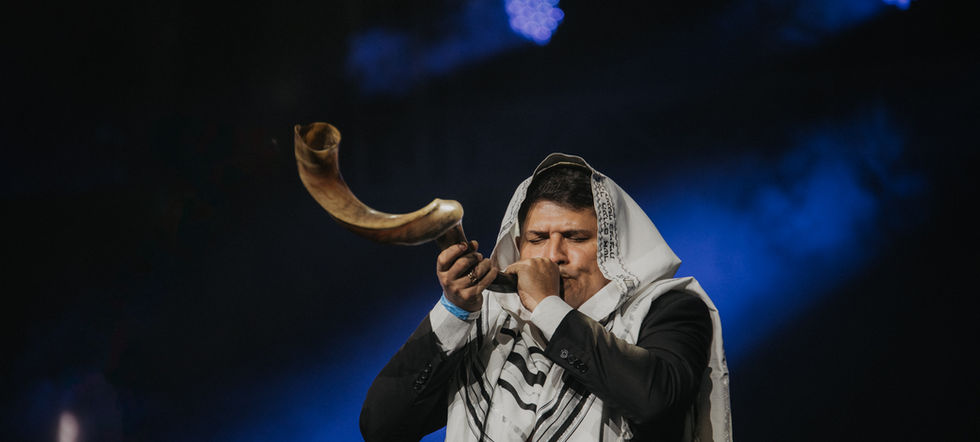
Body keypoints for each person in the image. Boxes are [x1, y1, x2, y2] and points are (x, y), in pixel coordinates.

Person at [360, 154, 732, 441]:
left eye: (575, 237)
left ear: (613, 250)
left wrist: (548, 310)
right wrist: (455, 311)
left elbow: (655, 401)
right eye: (537, 239)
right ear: (518, 247)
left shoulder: (669, 308)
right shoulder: (491, 324)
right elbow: (382, 426)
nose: (553, 255)